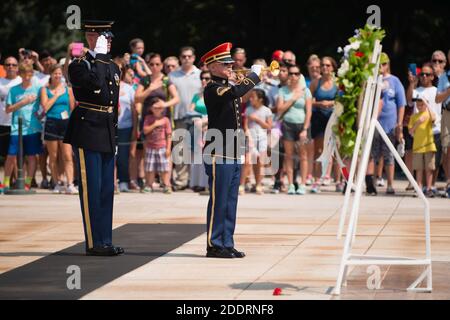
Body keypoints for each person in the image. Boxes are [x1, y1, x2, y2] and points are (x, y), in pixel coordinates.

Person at [63, 20, 123, 256]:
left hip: (106, 131)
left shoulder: (112, 66)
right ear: (90, 36)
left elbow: (113, 103)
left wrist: (115, 135)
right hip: (88, 130)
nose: (108, 40)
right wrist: (97, 55)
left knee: (106, 189)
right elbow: (94, 83)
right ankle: (93, 242)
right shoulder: (79, 65)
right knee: (91, 189)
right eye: (102, 36)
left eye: (108, 37)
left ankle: (105, 240)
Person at [201, 42, 261, 258]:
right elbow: (235, 91)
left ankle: (227, 242)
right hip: (218, 151)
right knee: (219, 200)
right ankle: (214, 243)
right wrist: (254, 76)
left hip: (233, 151)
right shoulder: (213, 88)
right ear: (213, 67)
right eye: (225, 63)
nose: (230, 66)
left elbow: (236, 91)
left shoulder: (226, 85)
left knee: (230, 200)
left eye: (230, 63)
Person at [366, 52, 406, 195]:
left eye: (383, 64)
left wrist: (399, 124)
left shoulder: (395, 81)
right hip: (374, 123)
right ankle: (374, 182)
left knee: (389, 155)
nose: (381, 67)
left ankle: (390, 184)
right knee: (374, 154)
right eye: (379, 64)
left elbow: (401, 104)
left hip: (389, 124)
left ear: (388, 64)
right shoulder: (372, 80)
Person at [3, 63, 43, 192]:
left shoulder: (38, 88)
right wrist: (23, 102)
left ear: (32, 74)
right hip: (16, 127)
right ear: (19, 74)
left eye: (29, 74)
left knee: (31, 156)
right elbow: (8, 109)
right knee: (11, 155)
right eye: (24, 74)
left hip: (32, 128)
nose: (27, 77)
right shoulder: (14, 90)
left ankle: (27, 183)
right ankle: (5, 183)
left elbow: (45, 104)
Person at [169, 46, 202, 191]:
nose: (186, 59)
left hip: (198, 118)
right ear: (180, 58)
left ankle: (196, 181)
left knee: (196, 150)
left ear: (194, 58)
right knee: (180, 150)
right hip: (179, 116)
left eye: (189, 56)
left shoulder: (201, 74)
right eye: (184, 56)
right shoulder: (173, 75)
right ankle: (182, 181)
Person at [40, 64, 77, 194]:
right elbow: (45, 107)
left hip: (65, 123)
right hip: (51, 123)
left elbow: (72, 108)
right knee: (53, 156)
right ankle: (55, 183)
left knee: (67, 155)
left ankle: (70, 183)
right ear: (50, 74)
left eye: (60, 73)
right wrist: (56, 95)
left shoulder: (68, 89)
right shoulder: (45, 89)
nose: (58, 76)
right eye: (55, 73)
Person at [277, 64, 312, 195]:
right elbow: (280, 109)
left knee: (303, 156)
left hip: (301, 125)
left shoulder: (306, 91)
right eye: (291, 73)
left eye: (296, 73)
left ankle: (302, 184)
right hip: (288, 125)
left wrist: (305, 129)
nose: (293, 76)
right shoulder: (283, 90)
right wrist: (293, 98)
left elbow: (308, 112)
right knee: (289, 156)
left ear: (300, 75)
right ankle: (291, 183)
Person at [406, 62, 441, 194]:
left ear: (433, 76)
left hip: (435, 130)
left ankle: (431, 186)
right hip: (419, 133)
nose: (424, 77)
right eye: (422, 74)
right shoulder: (417, 90)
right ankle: (421, 187)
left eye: (428, 74)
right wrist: (411, 83)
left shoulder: (437, 91)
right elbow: (409, 100)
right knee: (420, 164)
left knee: (433, 164)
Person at [310, 56, 338, 193]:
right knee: (318, 151)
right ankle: (316, 180)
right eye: (323, 65)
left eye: (328, 65)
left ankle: (338, 180)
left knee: (336, 150)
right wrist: (320, 103)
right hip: (319, 118)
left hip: (333, 118)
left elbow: (342, 100)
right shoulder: (316, 82)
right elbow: (309, 101)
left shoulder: (338, 82)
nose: (325, 68)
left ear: (333, 67)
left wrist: (331, 103)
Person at [242, 89, 272, 195]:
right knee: (248, 161)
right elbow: (245, 125)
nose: (250, 99)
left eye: (253, 97)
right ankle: (241, 185)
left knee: (260, 162)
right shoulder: (248, 109)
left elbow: (269, 126)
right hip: (251, 137)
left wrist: (257, 120)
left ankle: (258, 184)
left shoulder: (266, 110)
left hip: (262, 138)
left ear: (260, 99)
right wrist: (248, 135)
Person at [408, 91, 437, 197]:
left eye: (422, 103)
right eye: (418, 104)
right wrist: (417, 123)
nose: (419, 106)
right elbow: (410, 131)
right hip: (418, 147)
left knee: (429, 169)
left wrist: (428, 105)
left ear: (426, 104)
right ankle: (419, 188)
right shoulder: (414, 117)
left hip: (429, 146)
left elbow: (434, 119)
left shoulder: (428, 114)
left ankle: (429, 188)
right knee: (419, 169)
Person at [0, 57, 21, 193]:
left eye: (13, 64)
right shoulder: (0, 81)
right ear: (4, 67)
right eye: (8, 64)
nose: (11, 67)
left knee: (12, 154)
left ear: (17, 67)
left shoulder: (21, 81)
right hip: (1, 122)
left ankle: (13, 181)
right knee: (6, 155)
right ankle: (9, 181)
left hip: (15, 123)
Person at [142, 97, 172, 194]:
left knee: (164, 168)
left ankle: (166, 185)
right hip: (150, 147)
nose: (158, 109)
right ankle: (149, 185)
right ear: (150, 108)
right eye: (155, 107)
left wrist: (168, 148)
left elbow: (169, 135)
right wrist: (155, 124)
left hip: (162, 147)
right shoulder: (148, 118)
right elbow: (145, 130)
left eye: (160, 107)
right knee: (149, 168)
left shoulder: (166, 120)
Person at [189, 70, 210, 192]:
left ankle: (207, 183)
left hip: (210, 126)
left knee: (207, 156)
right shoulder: (197, 95)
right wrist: (198, 121)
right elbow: (190, 110)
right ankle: (197, 183)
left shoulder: (214, 94)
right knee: (197, 156)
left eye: (207, 78)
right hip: (198, 126)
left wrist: (207, 122)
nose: (204, 80)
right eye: (202, 78)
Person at [117, 64, 137, 192]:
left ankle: (124, 180)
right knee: (110, 156)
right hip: (110, 126)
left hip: (125, 126)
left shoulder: (129, 89)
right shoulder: (106, 85)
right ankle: (111, 180)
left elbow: (134, 110)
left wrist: (135, 128)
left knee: (123, 156)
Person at [435, 50, 450, 198]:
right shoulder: (444, 77)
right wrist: (448, 91)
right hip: (447, 113)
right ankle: (449, 182)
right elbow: (437, 99)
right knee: (447, 151)